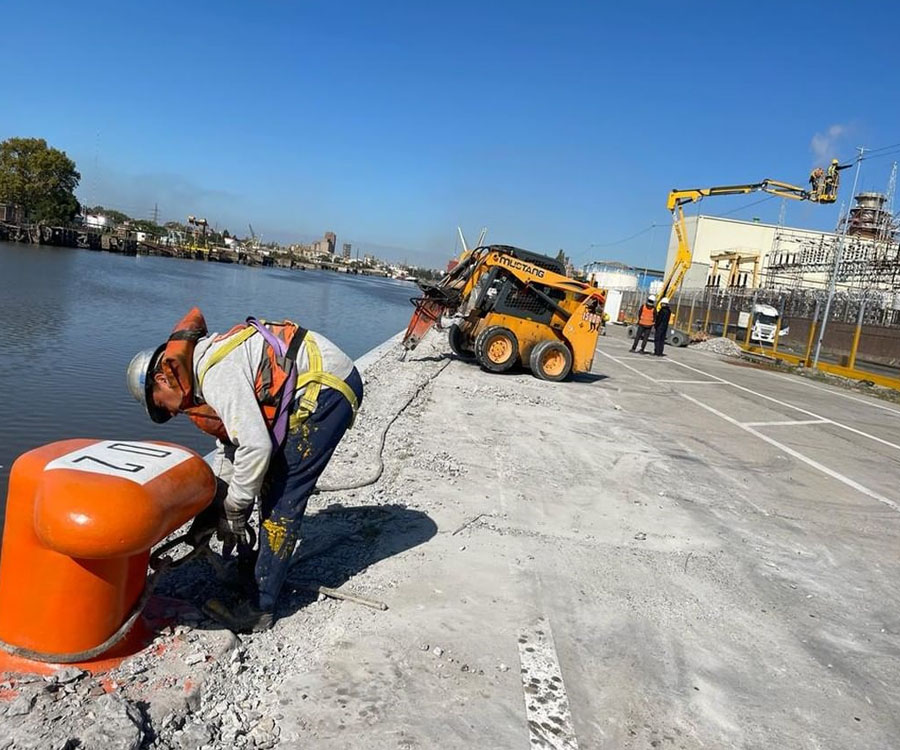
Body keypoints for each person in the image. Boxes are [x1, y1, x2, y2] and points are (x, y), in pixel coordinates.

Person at [126, 308, 362, 633]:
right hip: (312, 385)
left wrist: (236, 507)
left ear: (162, 379)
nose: (173, 412)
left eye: (161, 405)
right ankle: (256, 573)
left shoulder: (215, 374)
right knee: (261, 482)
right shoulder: (201, 369)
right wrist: (213, 511)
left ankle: (259, 608)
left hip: (326, 390)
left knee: (282, 499)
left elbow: (256, 447)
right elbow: (232, 447)